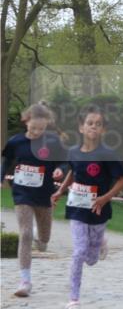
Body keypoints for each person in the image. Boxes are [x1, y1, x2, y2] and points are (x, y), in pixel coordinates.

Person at [50, 106, 123, 309]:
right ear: (81, 127)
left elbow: (122, 180)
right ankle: (73, 301)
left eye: (98, 124)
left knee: (91, 259)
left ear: (103, 130)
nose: (93, 126)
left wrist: (105, 198)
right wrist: (60, 191)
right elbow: (73, 173)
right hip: (76, 207)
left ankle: (101, 241)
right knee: (78, 252)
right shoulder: (73, 152)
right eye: (90, 123)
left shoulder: (107, 154)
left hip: (98, 208)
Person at [2, 102, 67, 297]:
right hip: (22, 193)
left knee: (43, 241)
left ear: (47, 125)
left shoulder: (53, 142)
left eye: (41, 128)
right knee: (25, 233)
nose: (37, 132)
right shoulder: (16, 142)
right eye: (33, 128)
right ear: (26, 121)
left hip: (44, 194)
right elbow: (6, 161)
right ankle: (25, 281)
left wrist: (59, 170)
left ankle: (41, 236)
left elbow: (64, 163)